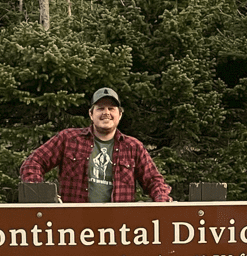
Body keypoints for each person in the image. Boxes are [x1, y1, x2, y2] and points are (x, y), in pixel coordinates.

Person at [19, 87, 172, 203]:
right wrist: (41, 196)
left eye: (111, 109)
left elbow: (153, 181)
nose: (106, 112)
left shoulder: (133, 147)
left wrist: (162, 202)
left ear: (120, 115)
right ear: (91, 114)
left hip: (119, 229)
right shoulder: (68, 139)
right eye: (100, 108)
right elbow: (33, 164)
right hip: (73, 227)